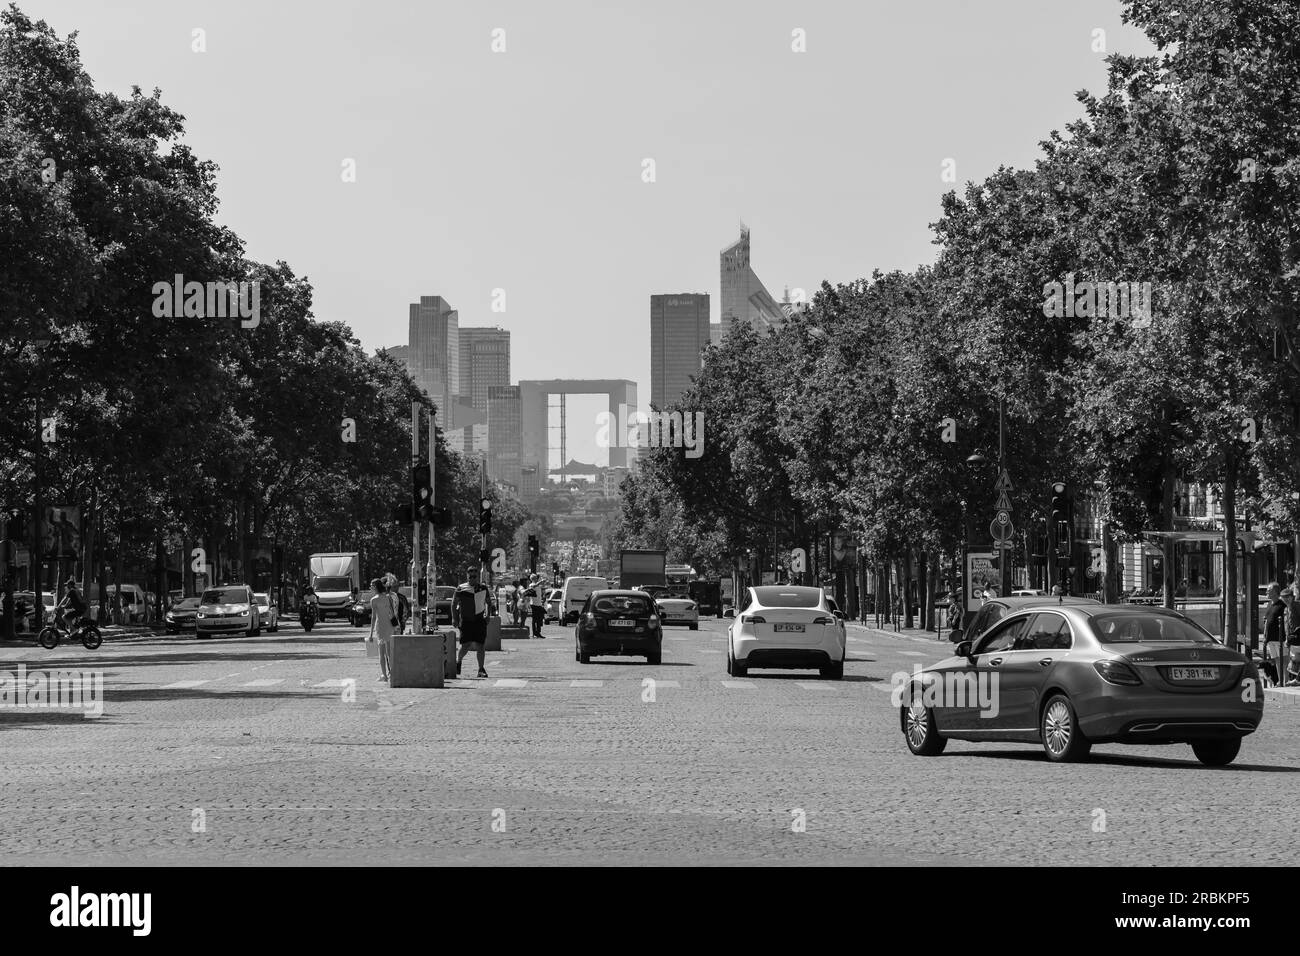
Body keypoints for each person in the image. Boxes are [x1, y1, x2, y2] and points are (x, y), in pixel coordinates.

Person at [454, 574, 489, 677]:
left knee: (480, 645)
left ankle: (481, 669)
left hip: (479, 619)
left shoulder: (483, 588)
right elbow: (454, 603)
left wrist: (488, 615)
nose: (473, 578)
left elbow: (488, 602)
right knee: (466, 645)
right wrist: (454, 618)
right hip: (466, 620)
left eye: (475, 576)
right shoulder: (461, 588)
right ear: (467, 577)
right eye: (471, 576)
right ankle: (458, 662)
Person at [367, 577, 399, 682]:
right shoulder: (388, 597)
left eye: (371, 586)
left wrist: (371, 633)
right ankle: (393, 673)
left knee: (381, 653)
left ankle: (384, 675)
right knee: (390, 652)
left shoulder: (374, 600)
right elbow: (391, 613)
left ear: (375, 587)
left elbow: (373, 617)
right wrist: (395, 626)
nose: (370, 588)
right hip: (389, 625)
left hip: (380, 626)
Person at [526, 573, 545, 638]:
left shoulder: (537, 585)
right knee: (535, 619)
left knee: (539, 619)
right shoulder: (532, 585)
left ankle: (538, 632)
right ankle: (535, 633)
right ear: (534, 579)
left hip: (539, 604)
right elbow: (534, 586)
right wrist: (540, 582)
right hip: (534, 605)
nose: (537, 579)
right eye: (536, 578)